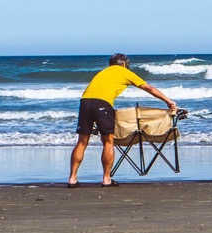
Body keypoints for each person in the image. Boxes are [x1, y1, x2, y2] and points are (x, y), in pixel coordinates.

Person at [68, 54, 178, 186]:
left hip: (85, 102)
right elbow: (149, 88)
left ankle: (72, 179)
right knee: (108, 141)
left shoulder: (103, 72)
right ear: (125, 64)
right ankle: (106, 179)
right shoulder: (125, 72)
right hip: (102, 104)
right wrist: (168, 101)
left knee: (82, 142)